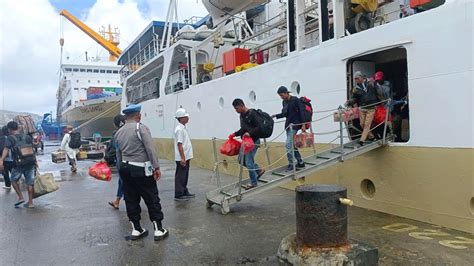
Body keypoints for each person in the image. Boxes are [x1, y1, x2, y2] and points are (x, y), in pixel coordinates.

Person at [114, 104, 168, 241]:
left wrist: (121, 171)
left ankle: (136, 229)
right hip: (141, 168)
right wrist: (156, 167)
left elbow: (118, 154)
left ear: (126, 117)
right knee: (151, 197)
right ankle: (158, 230)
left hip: (125, 168)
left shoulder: (118, 132)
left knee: (131, 199)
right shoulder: (141, 128)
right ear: (138, 115)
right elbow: (150, 150)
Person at [229, 99, 265, 189]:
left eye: (237, 108)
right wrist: (235, 134)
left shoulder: (252, 113)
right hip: (245, 141)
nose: (236, 110)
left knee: (249, 163)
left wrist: (250, 133)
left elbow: (260, 126)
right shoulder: (241, 115)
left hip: (253, 141)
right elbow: (243, 129)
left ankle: (253, 183)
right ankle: (259, 170)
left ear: (242, 105)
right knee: (241, 160)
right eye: (235, 109)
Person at [0, 121, 37, 208]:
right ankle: (30, 202)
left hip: (19, 163)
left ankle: (20, 197)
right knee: (30, 182)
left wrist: (1, 160)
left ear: (9, 129)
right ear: (17, 128)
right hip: (30, 162)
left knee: (13, 180)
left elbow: (6, 149)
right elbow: (32, 149)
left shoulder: (10, 138)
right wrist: (35, 161)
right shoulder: (27, 136)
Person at [272, 86, 307, 171]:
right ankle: (300, 162)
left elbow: (302, 112)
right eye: (280, 96)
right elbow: (284, 114)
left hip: (295, 125)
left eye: (282, 95)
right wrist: (275, 116)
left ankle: (291, 164)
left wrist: (303, 125)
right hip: (288, 126)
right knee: (292, 145)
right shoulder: (284, 102)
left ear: (286, 93)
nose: (281, 97)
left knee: (288, 145)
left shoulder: (295, 100)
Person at [346, 71, 379, 146]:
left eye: (357, 78)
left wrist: (380, 102)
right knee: (362, 124)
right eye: (355, 79)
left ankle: (362, 140)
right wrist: (349, 102)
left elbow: (378, 91)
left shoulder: (370, 83)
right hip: (362, 108)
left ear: (361, 77)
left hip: (371, 107)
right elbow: (354, 99)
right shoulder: (356, 89)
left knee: (367, 124)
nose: (356, 80)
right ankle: (371, 137)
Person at [173, 108, 195, 201]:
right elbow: (180, 144)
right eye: (186, 116)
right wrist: (183, 158)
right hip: (183, 157)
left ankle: (184, 190)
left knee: (185, 175)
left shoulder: (182, 128)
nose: (188, 118)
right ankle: (179, 193)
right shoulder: (179, 129)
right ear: (181, 118)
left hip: (186, 156)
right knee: (181, 175)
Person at [105, 114, 126, 209]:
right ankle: (117, 201)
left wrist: (106, 159)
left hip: (121, 162)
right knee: (124, 182)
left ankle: (120, 201)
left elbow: (114, 148)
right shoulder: (134, 130)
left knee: (123, 181)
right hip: (134, 161)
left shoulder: (117, 134)